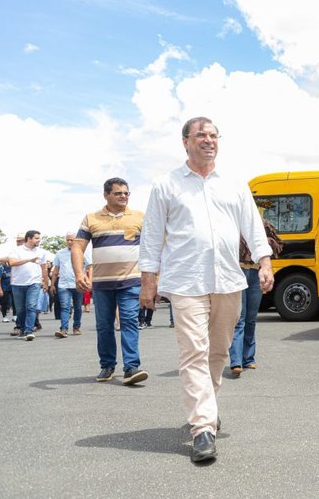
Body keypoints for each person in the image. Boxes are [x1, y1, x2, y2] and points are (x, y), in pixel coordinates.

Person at [139, 116, 273, 463]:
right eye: (201, 135)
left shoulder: (233, 183)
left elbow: (252, 226)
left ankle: (206, 408)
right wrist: (148, 281)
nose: (208, 140)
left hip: (229, 280)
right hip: (186, 282)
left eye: (213, 135)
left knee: (218, 353)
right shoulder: (166, 184)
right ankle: (202, 428)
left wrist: (265, 261)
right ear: (185, 142)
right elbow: (152, 234)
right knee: (193, 353)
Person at [72, 178, 148, 385]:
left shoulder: (140, 217)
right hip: (102, 283)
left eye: (126, 193)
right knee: (104, 325)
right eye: (118, 193)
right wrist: (79, 274)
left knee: (129, 320)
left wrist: (153, 277)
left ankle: (131, 367)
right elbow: (78, 247)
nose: (123, 196)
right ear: (105, 195)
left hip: (131, 280)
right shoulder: (91, 218)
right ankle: (107, 365)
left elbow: (153, 246)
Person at [228, 238, 263, 376]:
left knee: (251, 319)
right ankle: (236, 361)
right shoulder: (230, 222)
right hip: (237, 270)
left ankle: (248, 359)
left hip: (255, 271)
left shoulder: (260, 224)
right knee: (239, 318)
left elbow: (273, 243)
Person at [8, 230, 49, 340]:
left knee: (31, 307)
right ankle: (22, 329)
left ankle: (29, 331)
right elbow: (12, 263)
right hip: (17, 283)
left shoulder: (41, 252)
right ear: (29, 238)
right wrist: (28, 260)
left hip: (34, 283)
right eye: (36, 238)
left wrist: (46, 282)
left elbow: (44, 268)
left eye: (39, 238)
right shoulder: (16, 251)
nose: (38, 240)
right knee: (20, 309)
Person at [51, 232, 91, 337]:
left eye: (72, 240)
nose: (69, 242)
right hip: (64, 285)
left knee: (78, 307)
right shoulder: (60, 253)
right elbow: (56, 269)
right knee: (65, 307)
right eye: (67, 240)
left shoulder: (82, 252)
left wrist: (89, 280)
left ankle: (76, 327)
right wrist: (52, 285)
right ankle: (63, 329)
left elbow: (89, 267)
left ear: (76, 240)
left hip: (78, 284)